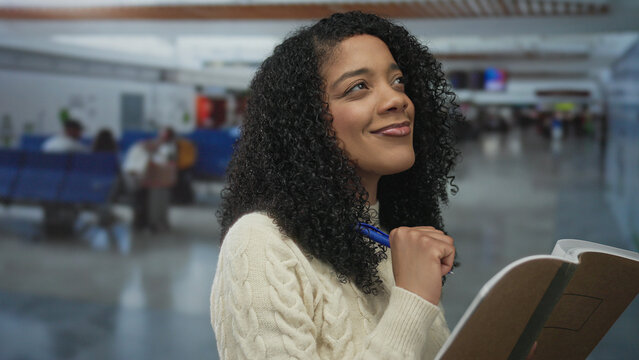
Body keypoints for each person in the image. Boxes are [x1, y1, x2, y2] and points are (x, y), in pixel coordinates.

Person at [211, 12, 461, 359]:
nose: (397, 100)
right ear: (305, 123)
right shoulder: (261, 242)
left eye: (398, 81)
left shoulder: (392, 238)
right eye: (358, 87)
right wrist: (413, 301)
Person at [123, 126, 177, 232]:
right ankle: (150, 221)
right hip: (134, 181)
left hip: (145, 180)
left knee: (158, 191)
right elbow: (135, 171)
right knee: (151, 192)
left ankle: (154, 220)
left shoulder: (167, 149)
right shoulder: (139, 149)